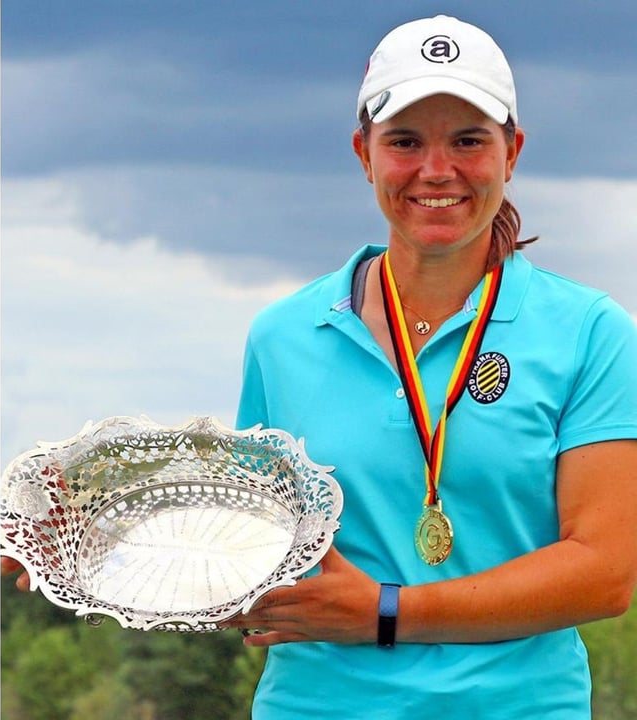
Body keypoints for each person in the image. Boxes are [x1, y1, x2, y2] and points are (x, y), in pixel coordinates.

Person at [221, 15, 637, 718]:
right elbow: (247, 546)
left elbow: (605, 573)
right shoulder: (282, 336)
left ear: (513, 152)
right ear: (364, 153)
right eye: (405, 142)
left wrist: (387, 612)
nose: (436, 170)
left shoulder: (593, 333)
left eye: (468, 141)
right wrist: (84, 544)